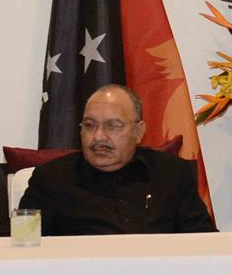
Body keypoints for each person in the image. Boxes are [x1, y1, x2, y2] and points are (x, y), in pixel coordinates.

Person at [20, 85, 215, 236]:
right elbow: (17, 247)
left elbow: (206, 243)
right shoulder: (51, 179)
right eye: (89, 125)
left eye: (113, 126)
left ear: (138, 132)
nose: (98, 137)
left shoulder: (172, 174)